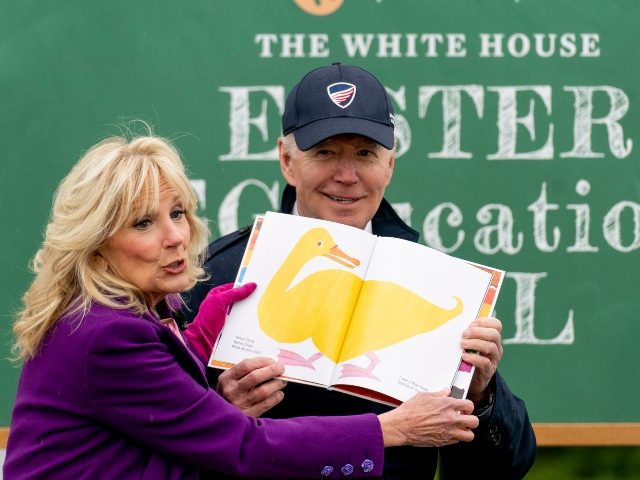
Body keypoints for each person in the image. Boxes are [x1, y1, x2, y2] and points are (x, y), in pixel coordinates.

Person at [4, 132, 483, 479]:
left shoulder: (112, 316)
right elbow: (246, 446)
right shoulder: (109, 335)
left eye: (178, 213)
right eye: (143, 224)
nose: (175, 237)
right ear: (96, 241)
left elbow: (143, 431)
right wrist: (392, 429)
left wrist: (205, 363)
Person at [183, 63, 537, 479]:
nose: (346, 176)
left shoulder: (434, 282)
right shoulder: (209, 276)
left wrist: (480, 394)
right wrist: (217, 410)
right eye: (326, 152)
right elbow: (150, 447)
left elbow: (505, 468)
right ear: (286, 160)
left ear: (390, 165)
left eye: (365, 154)